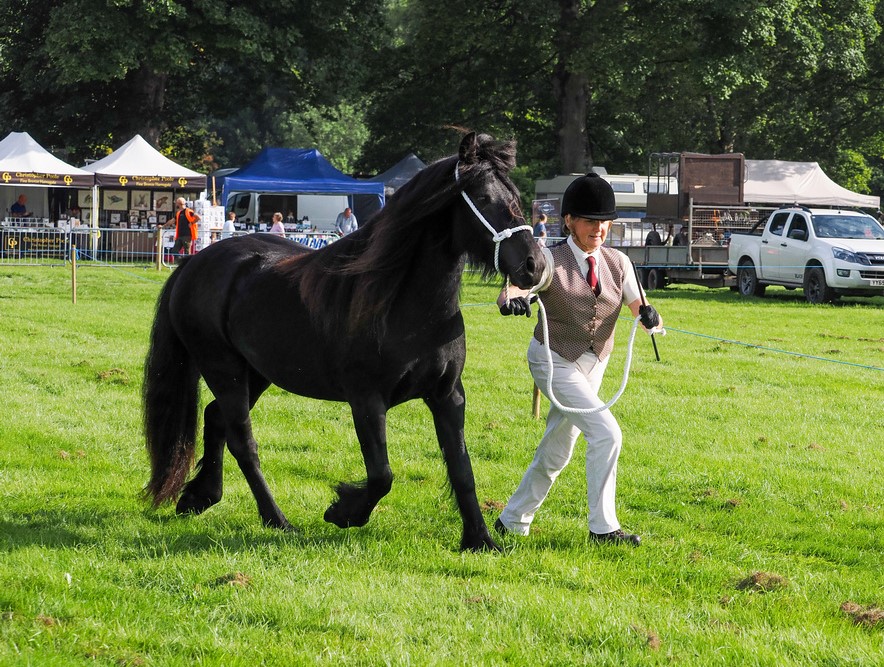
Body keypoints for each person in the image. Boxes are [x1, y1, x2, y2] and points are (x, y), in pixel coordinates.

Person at [495, 172, 662, 546]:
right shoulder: (549, 260)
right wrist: (511, 300)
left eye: (604, 221)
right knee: (607, 433)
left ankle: (511, 521)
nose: (599, 228)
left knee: (557, 449)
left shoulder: (619, 262)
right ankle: (603, 529)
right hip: (552, 361)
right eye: (590, 221)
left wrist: (650, 317)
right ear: (569, 220)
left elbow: (640, 307)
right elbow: (513, 288)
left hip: (594, 364)